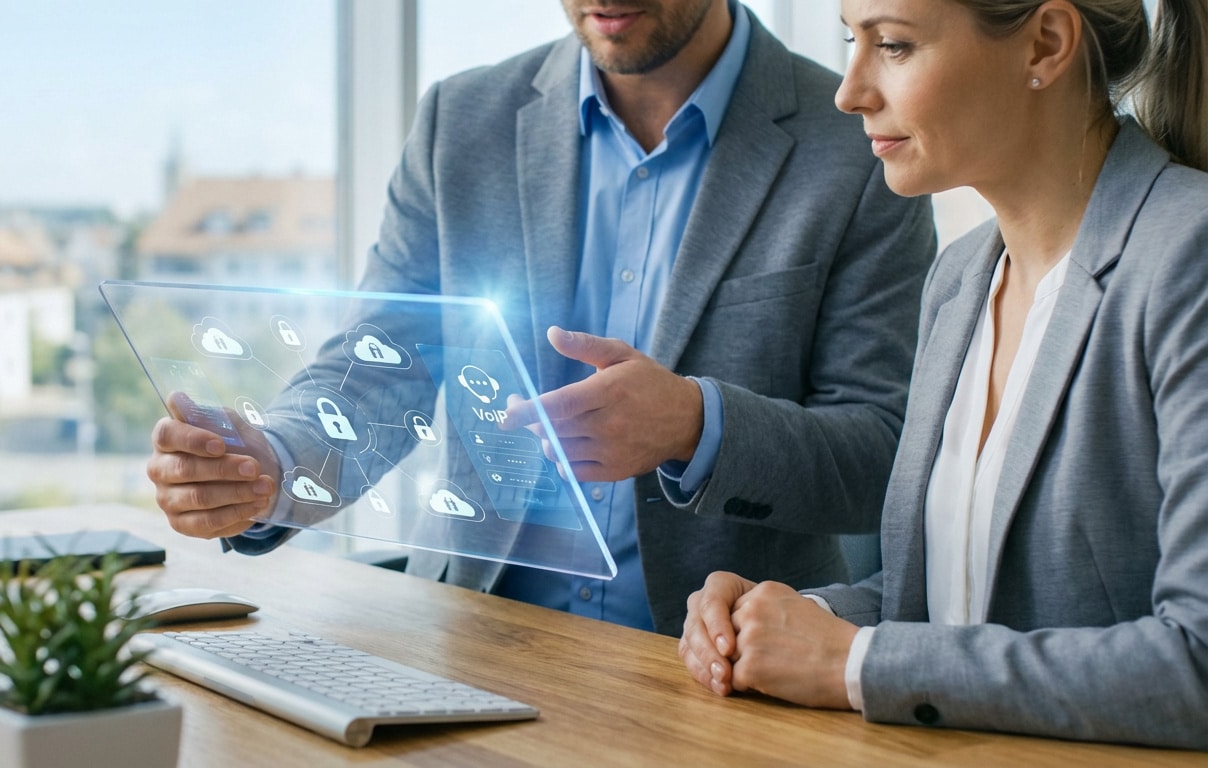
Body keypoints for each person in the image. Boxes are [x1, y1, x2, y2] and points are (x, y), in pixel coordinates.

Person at [147, 0, 936, 636]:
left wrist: (698, 424)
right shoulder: (462, 122)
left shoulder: (857, 148)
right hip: (475, 641)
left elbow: (881, 457)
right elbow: (382, 365)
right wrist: (273, 464)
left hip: (716, 671)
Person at [679, 0, 1208, 748]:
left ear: (1045, 43)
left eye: (892, 45)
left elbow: (1197, 663)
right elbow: (948, 608)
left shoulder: (1187, 256)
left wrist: (855, 662)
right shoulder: (960, 280)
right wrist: (788, 622)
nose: (849, 90)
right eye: (849, 42)